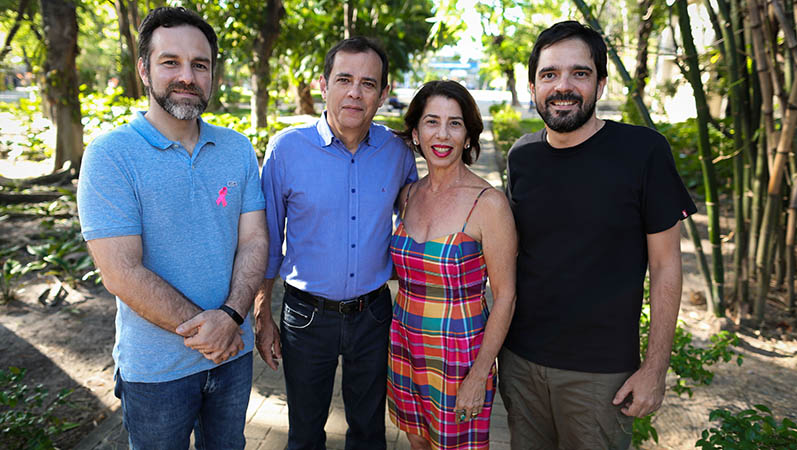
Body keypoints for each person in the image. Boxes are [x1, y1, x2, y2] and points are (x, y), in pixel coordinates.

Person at [499, 21, 697, 449]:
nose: (562, 86)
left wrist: (655, 368)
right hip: (519, 363)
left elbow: (666, 266)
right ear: (533, 86)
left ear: (601, 83)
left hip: (599, 375)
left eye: (579, 73)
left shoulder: (643, 151)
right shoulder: (522, 156)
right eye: (549, 75)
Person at [77, 7, 268, 449]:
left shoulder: (236, 149)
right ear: (144, 69)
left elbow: (255, 239)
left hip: (231, 360)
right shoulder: (110, 156)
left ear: (213, 73)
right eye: (171, 62)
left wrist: (233, 317)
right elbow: (121, 271)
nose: (187, 75)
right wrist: (212, 331)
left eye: (200, 65)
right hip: (156, 374)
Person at [254, 36, 418, 450]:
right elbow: (268, 239)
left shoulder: (397, 152)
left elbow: (417, 222)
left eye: (368, 83)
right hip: (307, 317)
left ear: (383, 94)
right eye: (344, 79)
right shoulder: (287, 149)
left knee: (368, 431)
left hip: (374, 314)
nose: (355, 92)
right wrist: (262, 313)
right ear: (324, 84)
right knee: (305, 433)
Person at [388, 80, 517, 450]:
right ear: (415, 132)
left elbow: (506, 296)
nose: (442, 134)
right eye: (432, 122)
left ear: (468, 135)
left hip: (459, 357)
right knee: (416, 443)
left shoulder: (489, 203)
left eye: (455, 123)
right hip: (404, 346)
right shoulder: (408, 194)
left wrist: (480, 375)